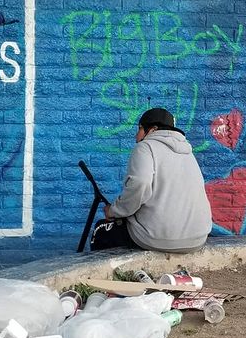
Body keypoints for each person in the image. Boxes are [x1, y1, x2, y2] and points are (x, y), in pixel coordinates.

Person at [90, 108, 212, 253]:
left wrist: (113, 211)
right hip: (198, 238)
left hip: (159, 239)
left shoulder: (145, 147)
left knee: (100, 230)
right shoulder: (188, 152)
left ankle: (121, 275)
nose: (136, 136)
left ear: (153, 129)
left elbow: (139, 184)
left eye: (140, 129)